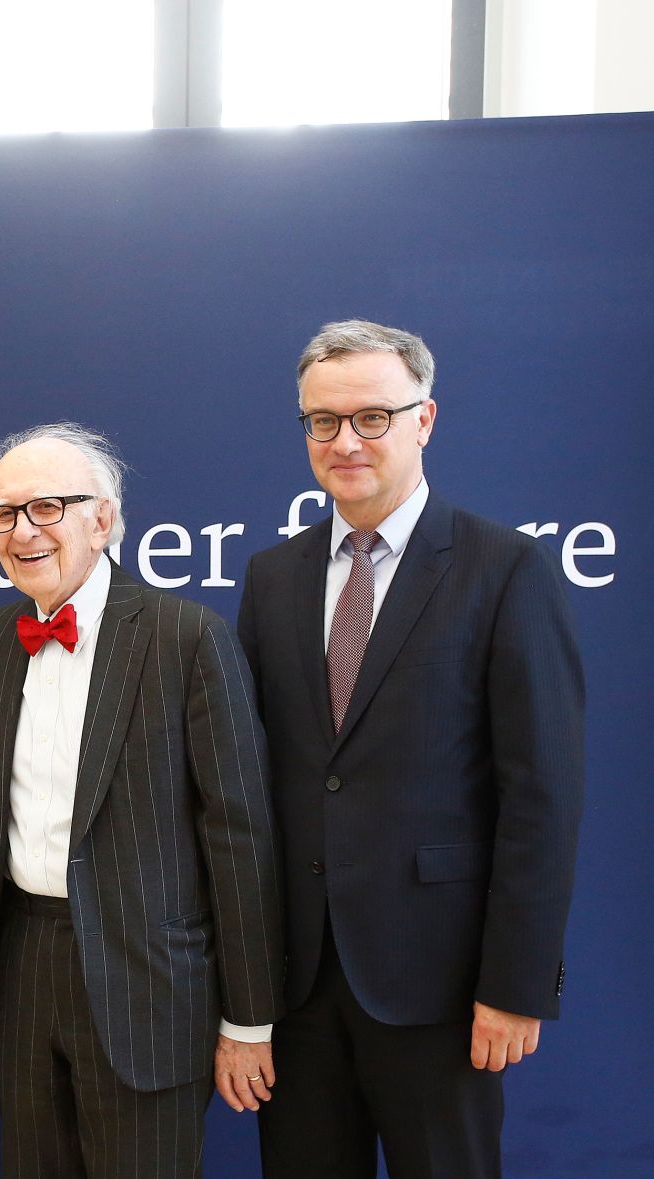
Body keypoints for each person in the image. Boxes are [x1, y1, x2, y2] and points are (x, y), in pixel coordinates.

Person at [237, 320, 584, 1179]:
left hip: (443, 989)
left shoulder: (505, 569)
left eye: (372, 417)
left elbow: (542, 795)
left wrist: (515, 982)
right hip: (300, 990)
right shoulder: (270, 578)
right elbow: (254, 787)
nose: (345, 440)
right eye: (323, 420)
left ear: (423, 420)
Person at [0, 422, 283, 1178]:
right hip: (25, 967)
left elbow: (240, 836)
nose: (22, 531)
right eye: (3, 514)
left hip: (149, 983)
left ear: (102, 519)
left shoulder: (186, 636)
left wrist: (249, 1016)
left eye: (47, 508)